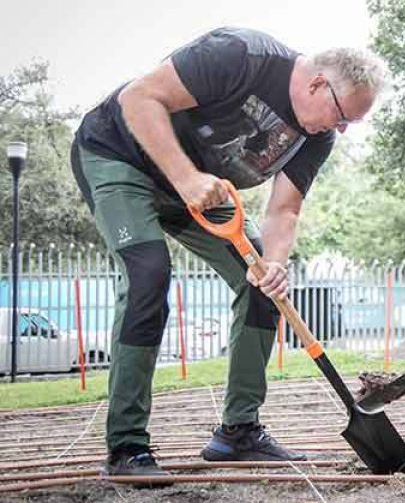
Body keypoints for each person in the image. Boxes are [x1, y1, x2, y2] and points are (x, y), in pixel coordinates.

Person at [70, 27, 387, 482]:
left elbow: (285, 209)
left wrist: (274, 263)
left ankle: (238, 432)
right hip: (121, 156)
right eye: (341, 116)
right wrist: (184, 178)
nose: (339, 129)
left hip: (198, 187)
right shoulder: (240, 55)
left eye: (349, 125)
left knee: (262, 285)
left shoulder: (316, 136)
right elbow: (139, 98)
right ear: (318, 83)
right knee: (148, 276)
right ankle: (126, 446)